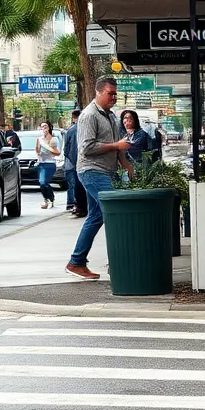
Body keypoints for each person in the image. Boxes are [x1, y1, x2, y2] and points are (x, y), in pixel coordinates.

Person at [66, 77, 134, 280]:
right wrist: (116, 147)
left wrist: (126, 164)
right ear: (98, 92)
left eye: (115, 93)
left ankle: (77, 262)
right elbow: (86, 148)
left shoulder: (110, 116)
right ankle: (119, 264)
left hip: (106, 171)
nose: (114, 97)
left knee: (97, 217)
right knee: (117, 213)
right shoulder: (88, 116)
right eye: (110, 93)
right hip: (92, 171)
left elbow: (117, 144)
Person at [62, 109, 88, 217]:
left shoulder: (70, 131)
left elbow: (66, 149)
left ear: (73, 118)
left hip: (75, 163)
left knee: (77, 185)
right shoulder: (87, 128)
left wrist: (73, 160)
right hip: (89, 161)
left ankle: (79, 206)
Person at [36, 121, 60, 209]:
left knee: (44, 182)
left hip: (50, 163)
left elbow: (57, 152)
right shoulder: (39, 139)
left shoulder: (54, 139)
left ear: (49, 128)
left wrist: (48, 147)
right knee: (42, 183)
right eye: (42, 127)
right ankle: (46, 199)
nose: (44, 128)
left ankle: (50, 199)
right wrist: (38, 154)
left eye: (45, 126)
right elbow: (37, 151)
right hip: (42, 164)